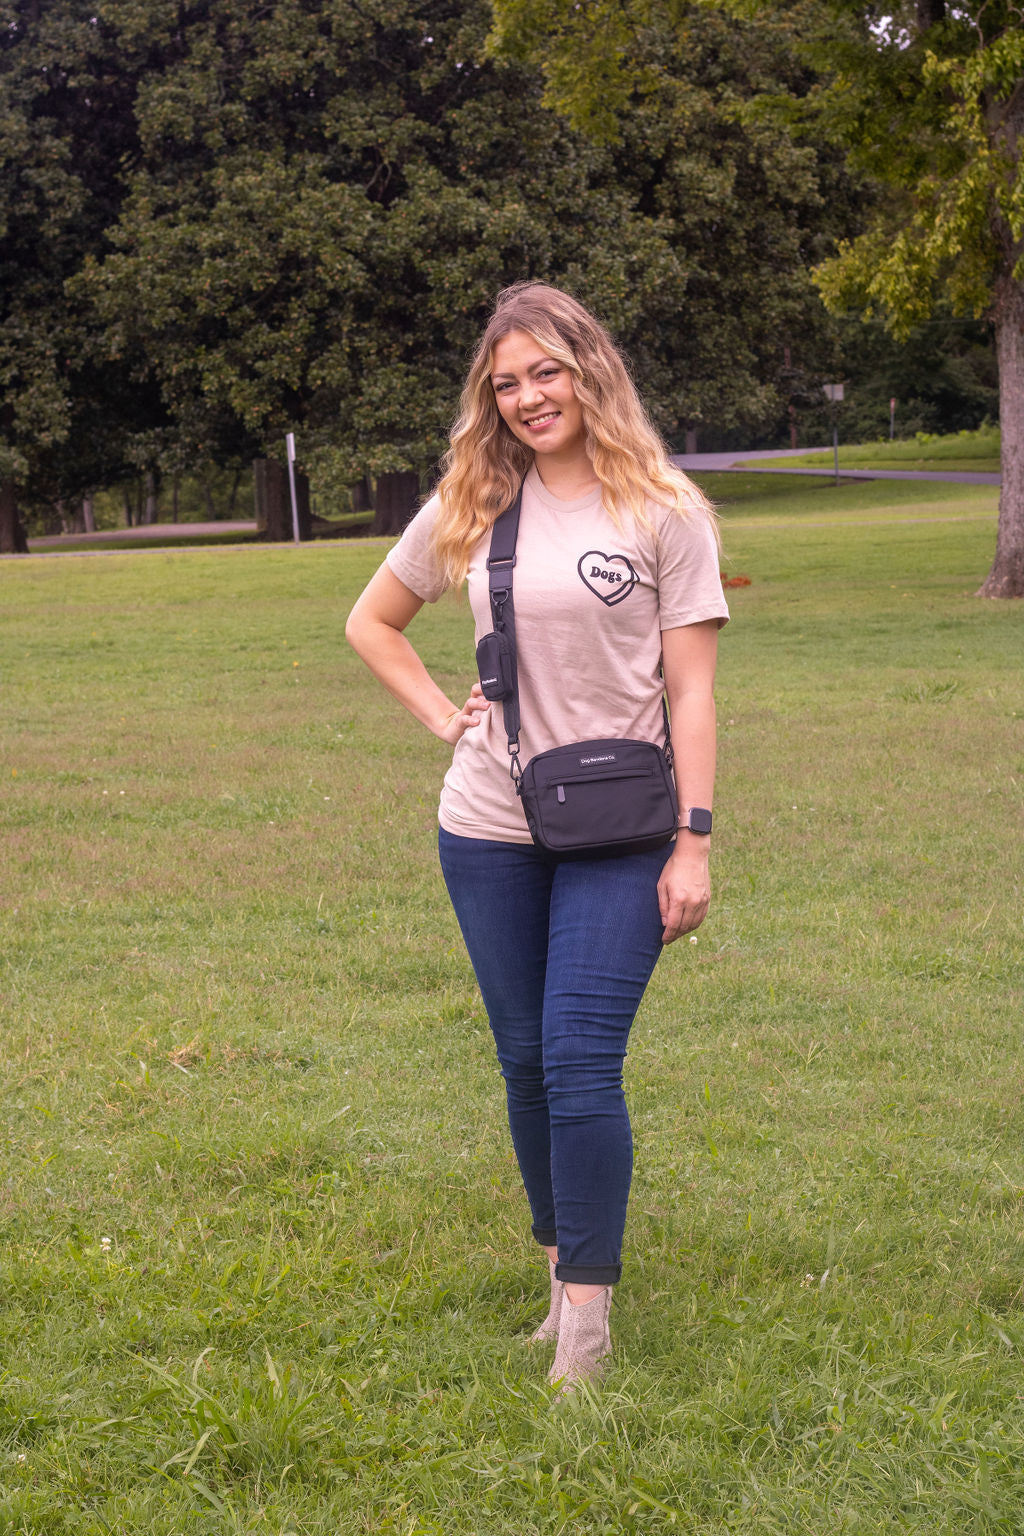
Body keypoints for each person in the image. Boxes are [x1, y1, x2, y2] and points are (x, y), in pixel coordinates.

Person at [345, 281, 728, 1391]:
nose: (527, 398)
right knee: (524, 1060)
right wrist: (443, 717)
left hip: (624, 828)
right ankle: (559, 1281)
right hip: (488, 826)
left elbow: (693, 692)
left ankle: (588, 1333)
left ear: (589, 370)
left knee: (579, 1057)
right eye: (506, 382)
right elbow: (371, 621)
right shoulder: (472, 499)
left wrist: (695, 842)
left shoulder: (663, 509)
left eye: (545, 372)